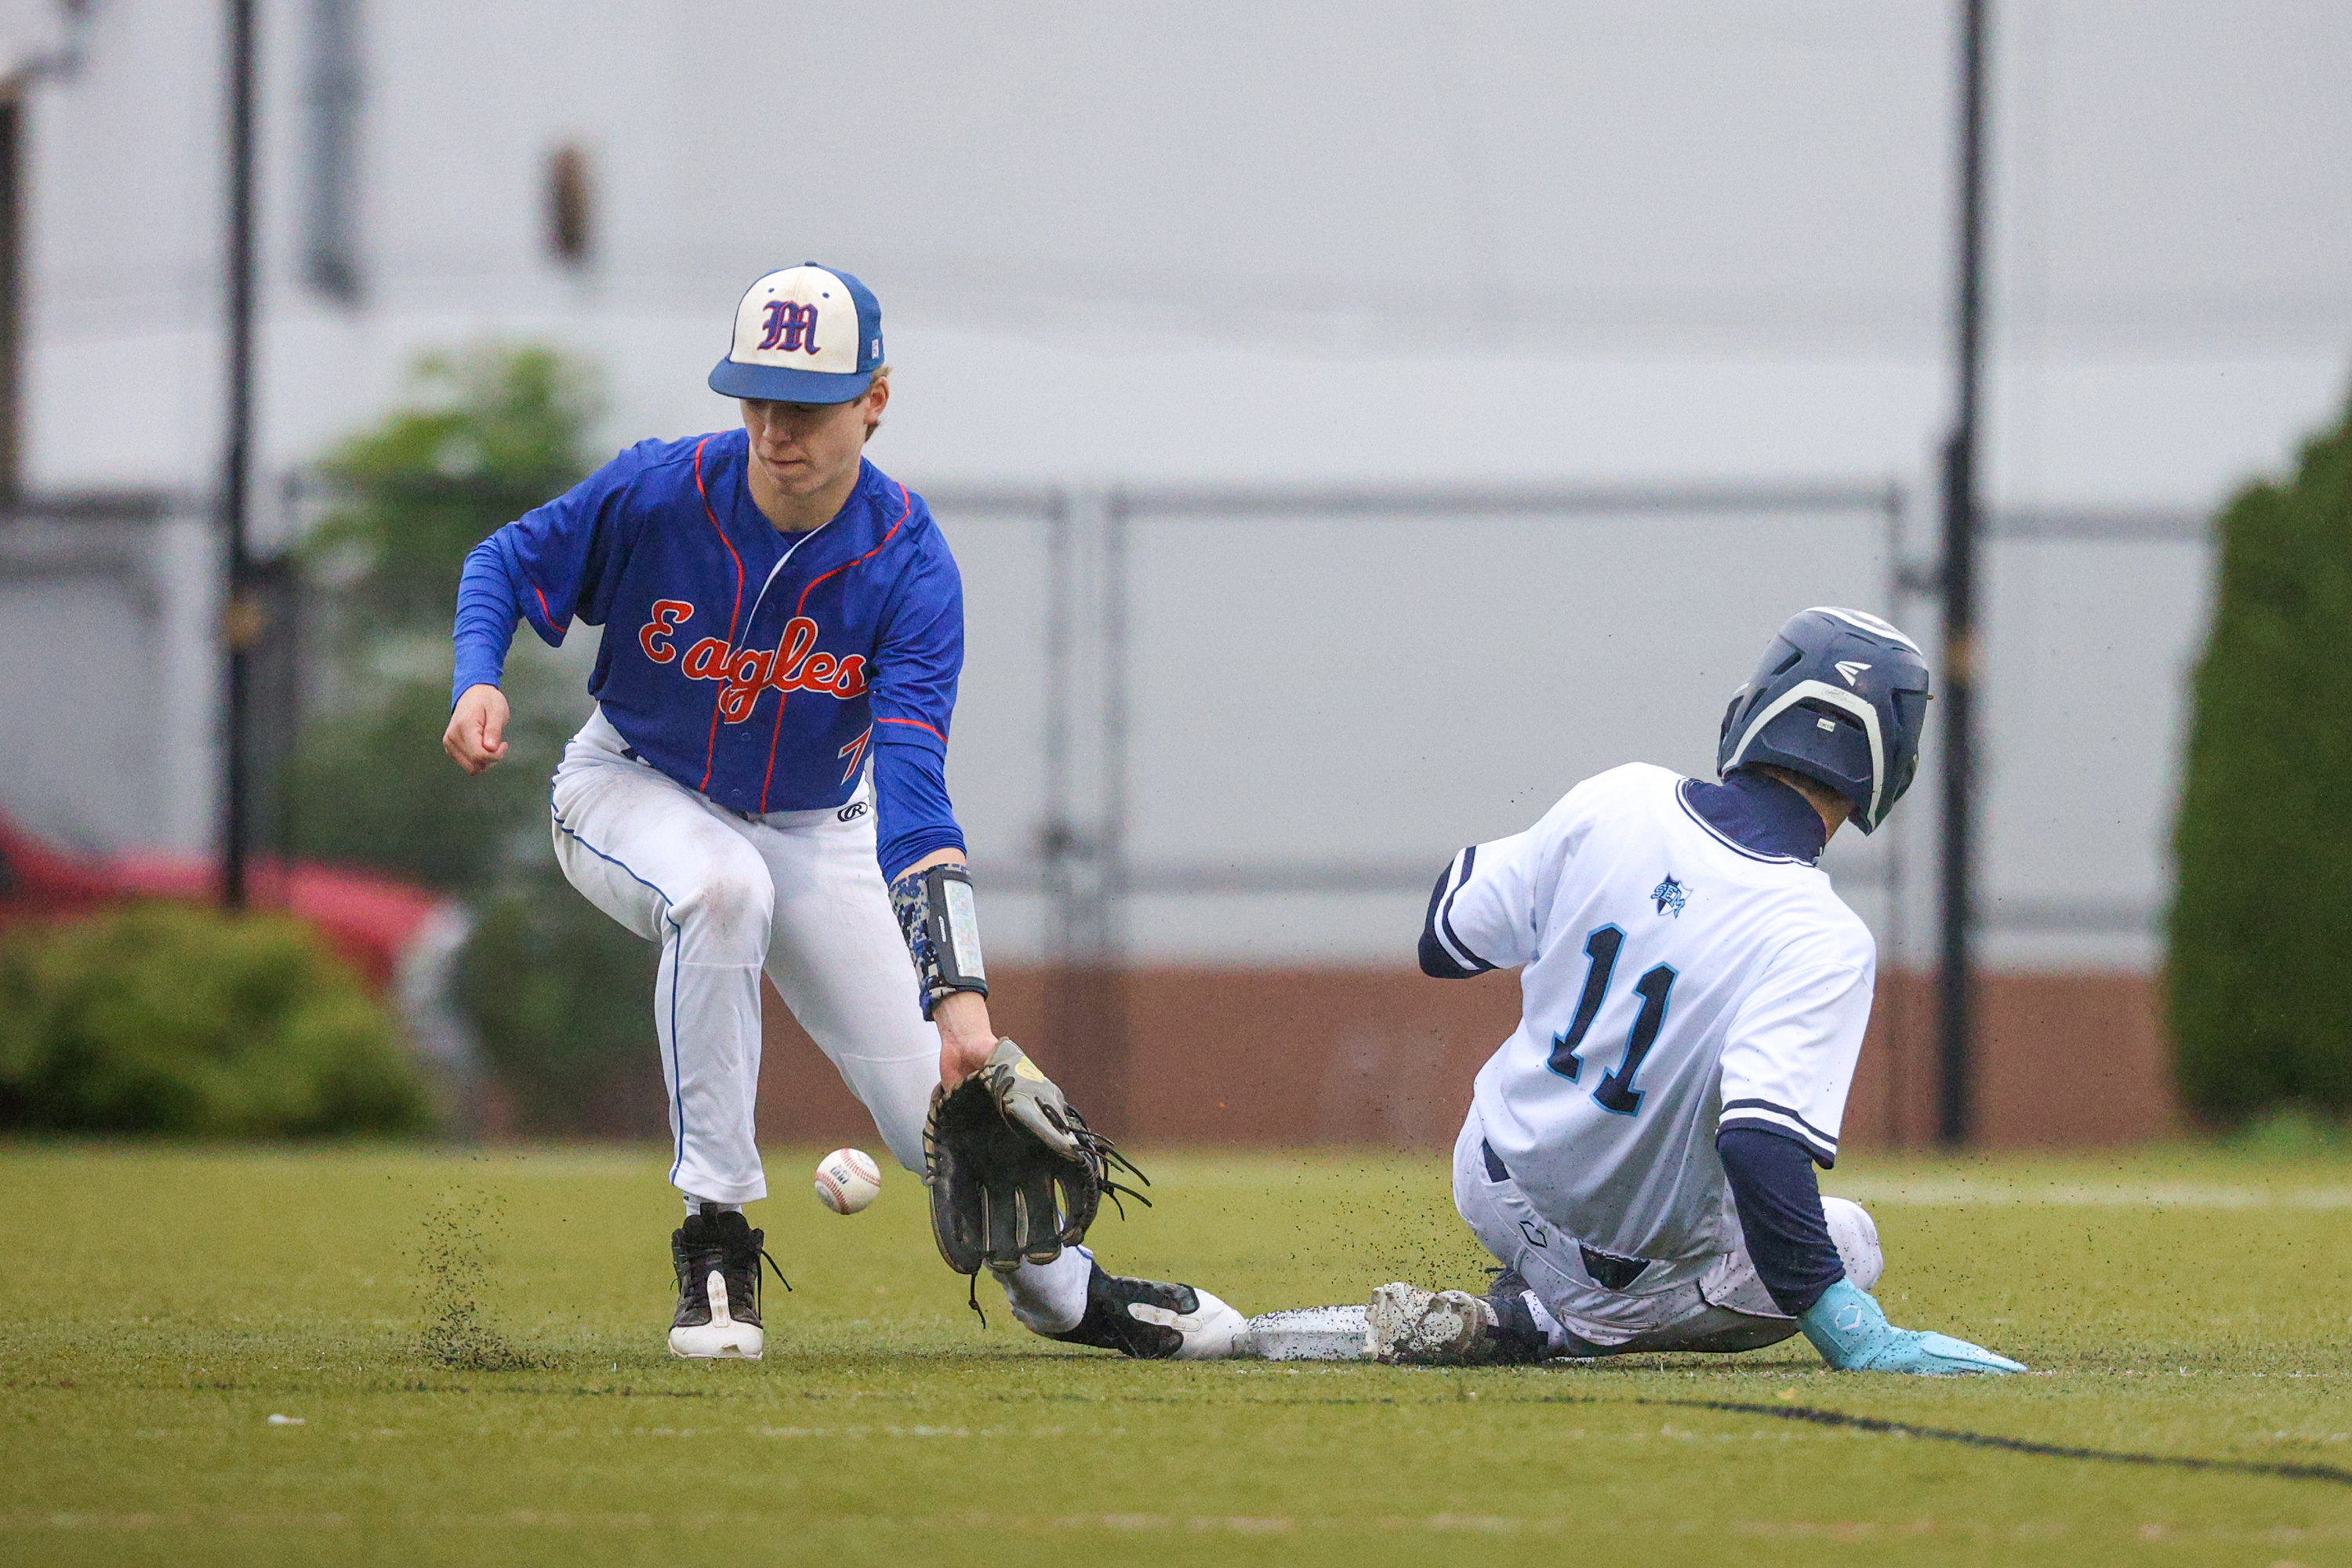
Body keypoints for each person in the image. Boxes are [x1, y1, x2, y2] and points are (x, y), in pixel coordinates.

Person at [441, 262, 1242, 1361]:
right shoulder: (657, 491)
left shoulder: (908, 563)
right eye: (757, 397)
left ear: (875, 398)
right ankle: (716, 1239)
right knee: (724, 891)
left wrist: (962, 1005)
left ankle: (1069, 1294)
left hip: (820, 827)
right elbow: (503, 561)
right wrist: (477, 674)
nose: (777, 428)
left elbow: (913, 786)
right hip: (629, 785)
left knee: (946, 1120)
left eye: (807, 405)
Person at [1368, 607, 2023, 1375]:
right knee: (1850, 1239)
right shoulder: (1822, 935)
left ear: (1750, 711)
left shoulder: (1617, 797)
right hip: (1626, 1275)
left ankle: (1533, 1299)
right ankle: (1551, 1322)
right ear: (1891, 772)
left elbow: (1447, 936)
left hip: (1488, 1177)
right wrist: (1854, 1331)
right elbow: (1759, 1142)